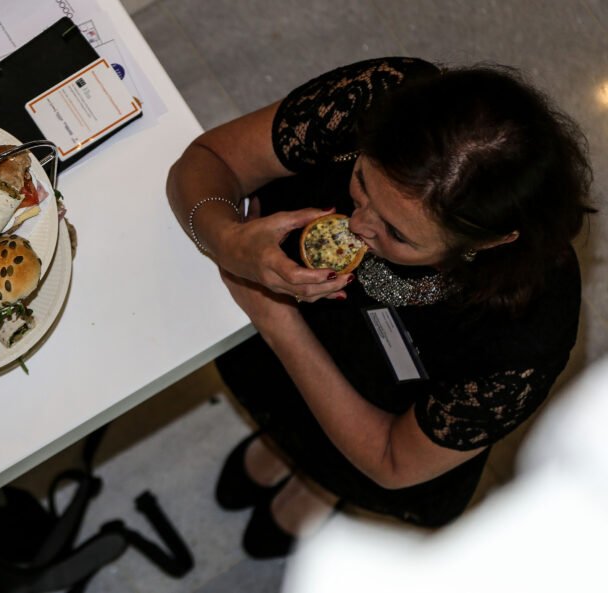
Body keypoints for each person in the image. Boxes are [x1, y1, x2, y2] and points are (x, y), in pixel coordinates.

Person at [165, 57, 594, 558]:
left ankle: (322, 485)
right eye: (363, 180)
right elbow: (208, 161)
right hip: (299, 344)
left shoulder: (526, 331)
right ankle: (285, 448)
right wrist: (226, 238)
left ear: (491, 241)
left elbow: (392, 459)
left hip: (386, 409)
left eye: (397, 233)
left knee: (340, 459)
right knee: (278, 405)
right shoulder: (382, 100)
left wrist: (277, 321)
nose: (358, 224)